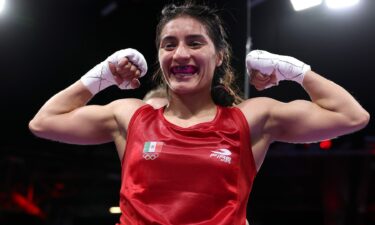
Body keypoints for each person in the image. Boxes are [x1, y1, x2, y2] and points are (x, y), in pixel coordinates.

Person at [28, 1, 369, 224]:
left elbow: (351, 116)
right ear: (159, 57)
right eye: (169, 44)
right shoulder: (131, 116)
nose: (180, 54)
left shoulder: (249, 119)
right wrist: (102, 75)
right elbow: (44, 123)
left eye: (194, 43)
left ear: (219, 55)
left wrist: (289, 68)